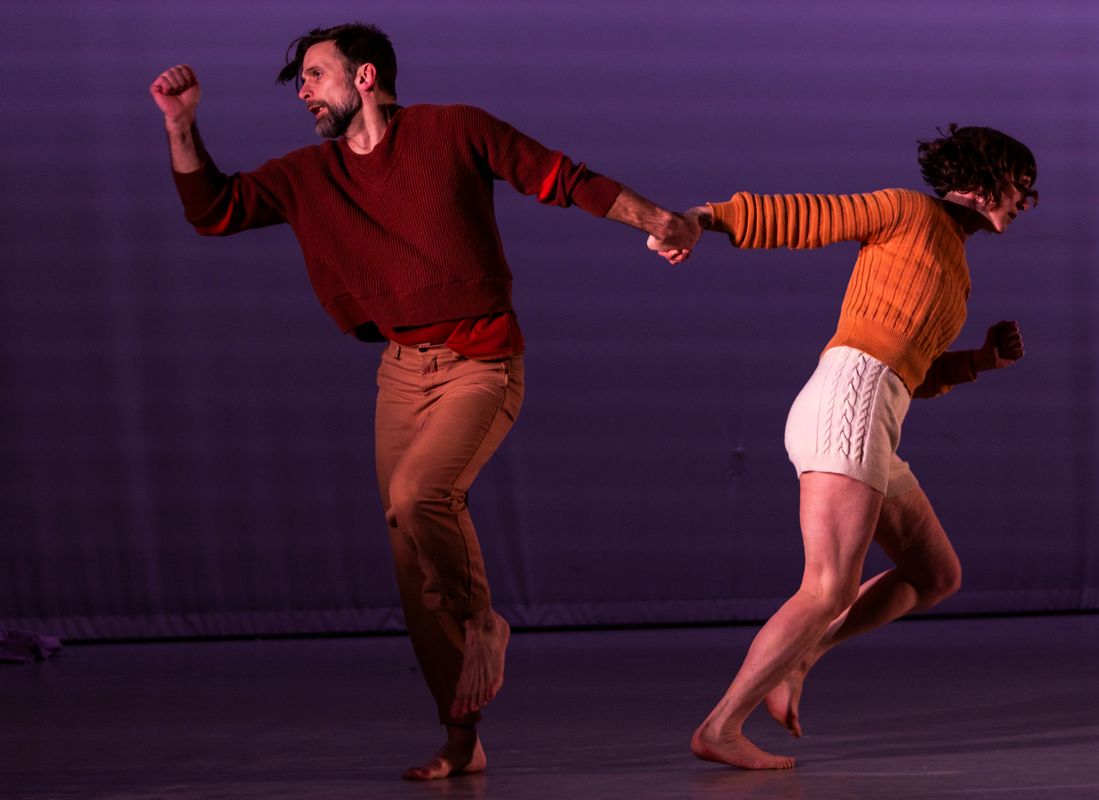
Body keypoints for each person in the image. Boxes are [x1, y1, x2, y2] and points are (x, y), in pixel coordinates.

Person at [149, 22, 700, 781]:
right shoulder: (309, 175)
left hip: (480, 362)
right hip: (401, 373)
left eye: (315, 75)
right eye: (300, 82)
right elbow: (213, 211)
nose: (303, 92)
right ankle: (462, 738)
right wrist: (180, 125)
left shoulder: (454, 131)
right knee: (410, 558)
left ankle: (484, 622)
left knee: (420, 495)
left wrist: (659, 219)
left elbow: (562, 178)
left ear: (365, 76)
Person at [652, 125, 1036, 769]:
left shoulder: (956, 267)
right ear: (982, 178)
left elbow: (913, 372)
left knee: (937, 575)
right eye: (1018, 185)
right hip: (848, 405)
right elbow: (807, 216)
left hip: (874, 415)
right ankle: (720, 727)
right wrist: (704, 217)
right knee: (828, 587)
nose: (1024, 200)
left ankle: (800, 659)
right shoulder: (907, 211)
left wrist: (979, 361)